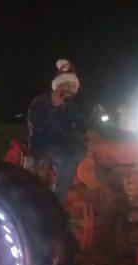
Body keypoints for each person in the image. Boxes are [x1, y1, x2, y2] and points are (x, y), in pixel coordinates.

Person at [27, 59, 89, 203]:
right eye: (65, 84)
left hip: (68, 147)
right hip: (43, 146)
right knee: (69, 159)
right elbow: (37, 122)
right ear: (57, 85)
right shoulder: (42, 101)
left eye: (71, 85)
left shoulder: (71, 107)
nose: (68, 88)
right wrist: (53, 108)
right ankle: (56, 202)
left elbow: (84, 124)